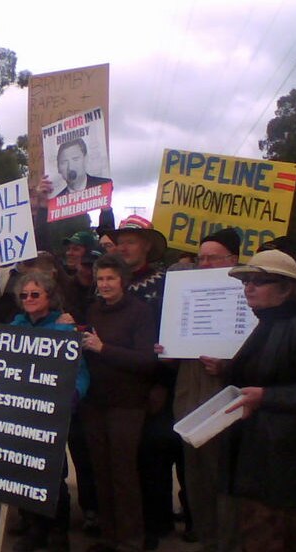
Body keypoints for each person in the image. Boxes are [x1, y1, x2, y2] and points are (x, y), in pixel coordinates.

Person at [219, 249, 296, 550]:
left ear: (285, 288)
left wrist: (266, 396)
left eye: (260, 281)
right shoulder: (270, 321)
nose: (249, 287)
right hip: (262, 456)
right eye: (246, 281)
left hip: (284, 464)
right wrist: (225, 370)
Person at [108, 215, 180, 549]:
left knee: (154, 454)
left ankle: (157, 523)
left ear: (147, 245)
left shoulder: (167, 281)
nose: (124, 246)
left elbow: (175, 333)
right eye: (120, 241)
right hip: (119, 388)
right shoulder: (108, 283)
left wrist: (162, 383)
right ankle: (130, 527)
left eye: (131, 240)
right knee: (127, 461)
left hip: (156, 381)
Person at [81, 254, 158, 552]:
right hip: (95, 403)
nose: (105, 284)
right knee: (101, 471)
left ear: (123, 280)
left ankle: (130, 541)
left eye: (111, 278)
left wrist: (104, 348)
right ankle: (109, 537)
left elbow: (147, 361)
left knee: (124, 474)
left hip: (127, 405)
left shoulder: (140, 312)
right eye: (100, 279)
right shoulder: (94, 310)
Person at [169, 228, 241, 551]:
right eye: (202, 259)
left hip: (225, 405)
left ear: (233, 259)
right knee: (196, 480)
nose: (206, 264)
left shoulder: (245, 294)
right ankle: (208, 540)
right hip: (189, 401)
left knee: (221, 483)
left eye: (214, 258)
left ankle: (226, 543)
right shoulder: (186, 293)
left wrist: (227, 368)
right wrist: (167, 347)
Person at [9, 270, 89, 552]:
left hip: (53, 413)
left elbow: (80, 373)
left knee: (53, 474)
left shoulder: (65, 329)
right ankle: (33, 530)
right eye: (24, 295)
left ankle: (58, 532)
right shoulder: (14, 328)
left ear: (49, 296)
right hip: (21, 413)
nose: (29, 299)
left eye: (35, 294)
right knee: (23, 470)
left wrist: (73, 396)